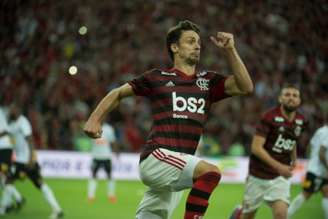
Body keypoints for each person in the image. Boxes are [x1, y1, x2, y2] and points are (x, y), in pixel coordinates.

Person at [84, 20, 253, 219]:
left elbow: (245, 87)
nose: (197, 45)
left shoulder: (207, 81)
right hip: (157, 157)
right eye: (190, 41)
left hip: (178, 167)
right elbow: (119, 93)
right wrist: (95, 119)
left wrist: (231, 50)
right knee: (210, 173)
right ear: (174, 47)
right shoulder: (158, 77)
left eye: (199, 42)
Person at [229, 85, 307, 219]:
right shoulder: (269, 117)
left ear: (299, 101)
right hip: (258, 174)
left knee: (281, 214)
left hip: (279, 177)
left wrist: (294, 158)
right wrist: (280, 166)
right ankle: (238, 215)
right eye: (287, 95)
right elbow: (256, 148)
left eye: (295, 96)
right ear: (280, 99)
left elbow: (292, 139)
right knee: (248, 216)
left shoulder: (301, 120)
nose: (291, 98)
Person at [7, 103, 64, 219]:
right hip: (19, 160)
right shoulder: (13, 123)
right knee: (8, 181)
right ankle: (7, 205)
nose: (10, 110)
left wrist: (31, 159)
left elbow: (30, 141)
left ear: (17, 110)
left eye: (12, 108)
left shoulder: (23, 122)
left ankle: (57, 209)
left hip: (26, 160)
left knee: (10, 182)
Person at [287, 124, 328, 219]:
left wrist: (311, 159)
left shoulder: (320, 130)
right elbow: (321, 152)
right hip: (318, 171)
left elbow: (310, 146)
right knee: (306, 194)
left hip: (314, 168)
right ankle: (286, 216)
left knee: (326, 192)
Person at [0, 105, 24, 215]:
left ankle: (12, 201)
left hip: (4, 148)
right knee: (3, 177)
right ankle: (12, 202)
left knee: (5, 177)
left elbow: (5, 130)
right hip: (4, 147)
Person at [87, 122, 118, 203]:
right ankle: (91, 196)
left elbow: (113, 141)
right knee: (94, 175)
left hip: (106, 156)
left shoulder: (108, 128)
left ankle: (111, 195)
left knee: (109, 176)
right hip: (96, 156)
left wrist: (116, 151)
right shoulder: (92, 127)